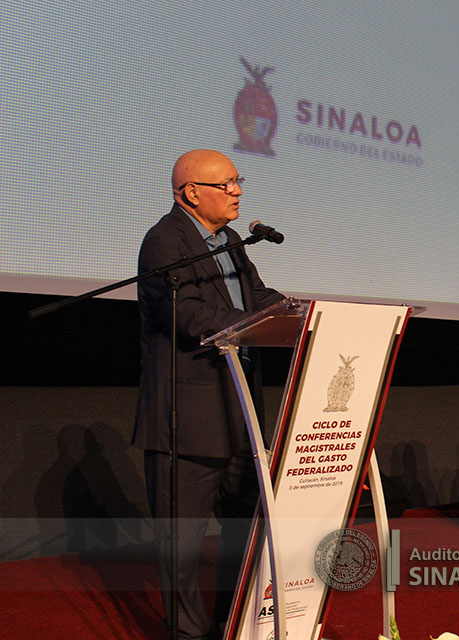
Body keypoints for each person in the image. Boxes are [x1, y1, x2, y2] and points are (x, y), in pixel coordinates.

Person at [133, 149, 285, 639]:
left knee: (245, 536)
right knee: (181, 550)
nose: (238, 190)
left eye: (238, 180)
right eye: (227, 184)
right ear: (191, 192)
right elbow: (190, 318)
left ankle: (232, 623)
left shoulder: (231, 241)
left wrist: (300, 314)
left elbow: (256, 299)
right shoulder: (164, 243)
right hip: (187, 422)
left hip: (239, 416)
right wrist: (257, 323)